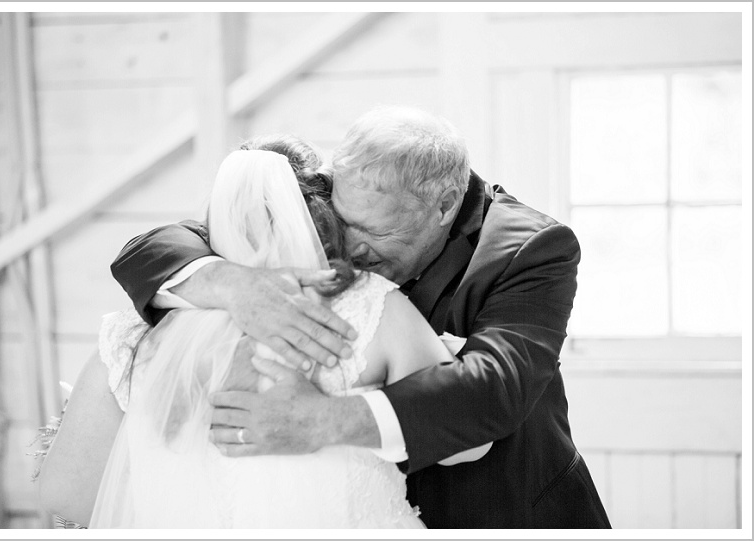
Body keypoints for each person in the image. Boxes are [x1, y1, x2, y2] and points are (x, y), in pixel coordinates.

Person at [111, 106, 611, 528]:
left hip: (507, 511)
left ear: (443, 205)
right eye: (344, 221)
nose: (351, 246)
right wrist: (231, 283)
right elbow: (156, 246)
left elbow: (493, 386)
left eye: (377, 231)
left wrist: (324, 420)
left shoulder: (533, 249)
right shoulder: (346, 192)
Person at [38, 135, 476, 528]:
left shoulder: (134, 336)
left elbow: (67, 494)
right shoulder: (370, 306)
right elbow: (466, 444)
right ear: (324, 212)